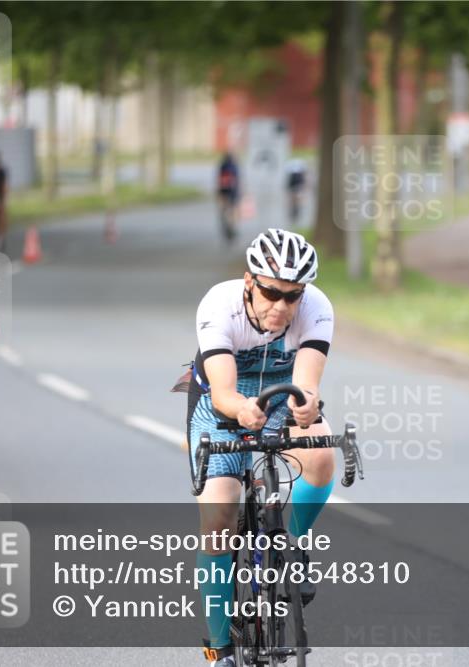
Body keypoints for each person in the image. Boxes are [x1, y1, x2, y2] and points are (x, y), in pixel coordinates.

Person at [189, 228, 334, 666]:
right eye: (271, 292)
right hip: (223, 400)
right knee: (219, 514)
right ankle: (219, 648)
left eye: (292, 296)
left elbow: (306, 384)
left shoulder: (317, 308)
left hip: (278, 394)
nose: (281, 306)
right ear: (250, 282)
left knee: (322, 455)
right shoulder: (219, 305)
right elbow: (223, 394)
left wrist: (306, 407)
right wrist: (240, 411)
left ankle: (293, 547)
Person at [216, 152, 240, 244]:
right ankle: (231, 226)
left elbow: (219, 180)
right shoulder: (234, 167)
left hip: (224, 190)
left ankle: (226, 224)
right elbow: (237, 180)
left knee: (225, 209)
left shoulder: (223, 166)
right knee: (232, 210)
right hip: (232, 191)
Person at [286, 158, 307, 225]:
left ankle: (295, 213)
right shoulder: (298, 170)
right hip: (296, 187)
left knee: (295, 201)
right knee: (295, 201)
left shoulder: (293, 170)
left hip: (296, 187)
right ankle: (294, 213)